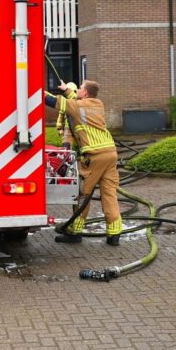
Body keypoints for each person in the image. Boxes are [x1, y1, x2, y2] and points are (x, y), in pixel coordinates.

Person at [44, 80, 123, 246]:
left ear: (85, 93)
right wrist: (66, 90)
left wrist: (33, 91)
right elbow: (76, 101)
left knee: (82, 194)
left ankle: (75, 232)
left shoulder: (78, 107)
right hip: (111, 154)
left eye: (80, 88)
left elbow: (55, 102)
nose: (78, 90)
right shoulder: (98, 104)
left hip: (94, 156)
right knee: (109, 194)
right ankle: (114, 235)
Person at [55, 82, 78, 149]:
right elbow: (60, 116)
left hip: (79, 127)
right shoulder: (64, 104)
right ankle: (67, 157)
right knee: (66, 146)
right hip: (68, 128)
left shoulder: (79, 102)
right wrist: (59, 128)